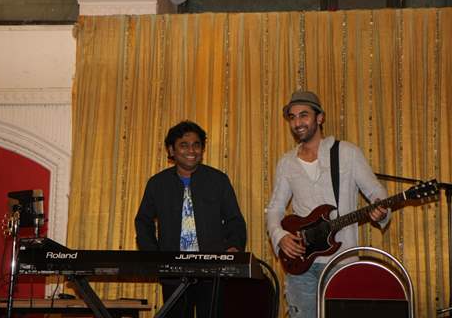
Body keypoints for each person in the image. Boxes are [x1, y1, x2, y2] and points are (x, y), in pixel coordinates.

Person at [266, 90, 390, 318]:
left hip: (341, 258)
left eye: (303, 115)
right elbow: (275, 208)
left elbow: (375, 192)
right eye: (292, 117)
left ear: (319, 118)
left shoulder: (347, 153)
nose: (297, 122)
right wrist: (280, 236)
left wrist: (380, 212)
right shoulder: (286, 163)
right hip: (300, 262)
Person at [135, 120, 247, 318]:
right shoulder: (157, 183)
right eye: (183, 145)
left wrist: (234, 248)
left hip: (213, 273)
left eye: (197, 145)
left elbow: (235, 220)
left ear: (202, 149)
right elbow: (143, 221)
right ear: (171, 150)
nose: (191, 150)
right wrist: (153, 255)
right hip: (173, 273)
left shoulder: (218, 180)